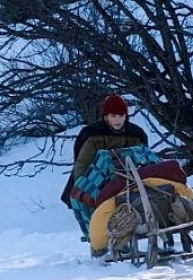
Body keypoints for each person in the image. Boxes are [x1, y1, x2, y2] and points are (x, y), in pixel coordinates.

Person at [60, 94, 149, 238]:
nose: (118, 120)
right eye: (113, 116)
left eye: (121, 115)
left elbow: (144, 158)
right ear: (106, 116)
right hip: (98, 179)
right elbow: (82, 164)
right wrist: (81, 186)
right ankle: (97, 237)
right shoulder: (91, 135)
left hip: (131, 177)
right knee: (83, 198)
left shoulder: (136, 134)